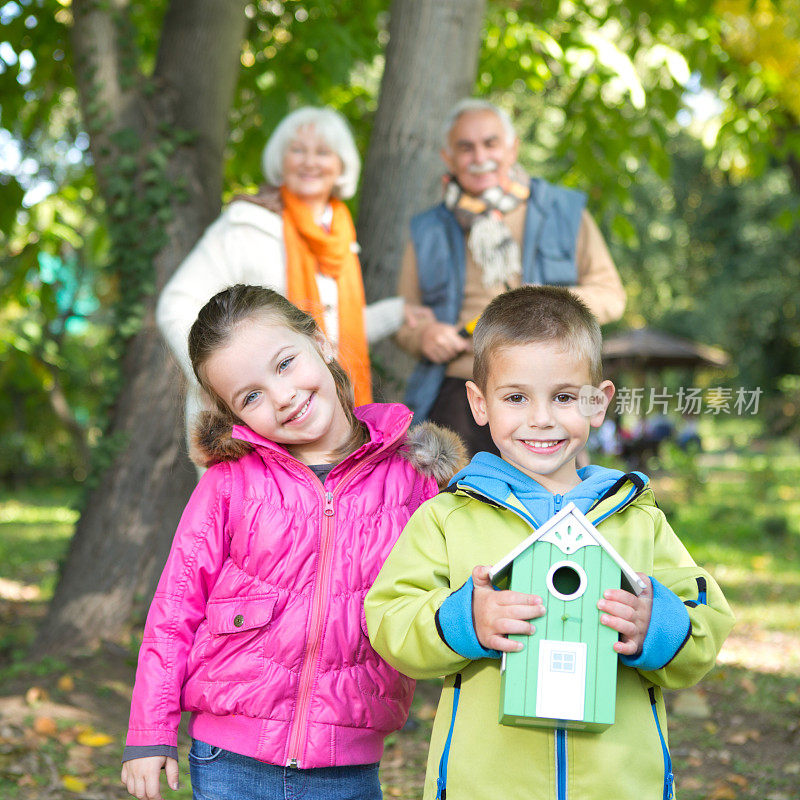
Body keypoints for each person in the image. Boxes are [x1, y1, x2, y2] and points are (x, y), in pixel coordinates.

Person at [365, 286, 734, 800]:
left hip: (619, 785)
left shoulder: (636, 519)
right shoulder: (449, 517)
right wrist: (463, 619)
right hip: (485, 786)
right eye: (516, 397)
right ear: (479, 403)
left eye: (563, 397)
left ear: (599, 403)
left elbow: (708, 615)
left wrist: (660, 625)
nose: (541, 418)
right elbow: (388, 617)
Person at [121, 285, 465, 800]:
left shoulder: (413, 480)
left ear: (320, 343)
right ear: (234, 413)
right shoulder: (230, 483)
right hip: (229, 760)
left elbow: (441, 599)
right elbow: (175, 609)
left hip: (346, 763)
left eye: (285, 364)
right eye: (251, 396)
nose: (282, 396)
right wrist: (149, 734)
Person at [157, 106, 431, 444]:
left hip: (315, 409)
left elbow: (328, 331)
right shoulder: (246, 223)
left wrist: (398, 313)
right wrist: (219, 384)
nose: (309, 161)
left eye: (322, 152)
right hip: (254, 417)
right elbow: (175, 304)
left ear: (341, 165)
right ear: (280, 161)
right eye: (297, 150)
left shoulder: (339, 241)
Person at [396, 98, 626, 455]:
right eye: (465, 147)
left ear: (513, 148)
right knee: (459, 505)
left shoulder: (563, 213)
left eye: (491, 143)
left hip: (547, 392)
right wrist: (423, 335)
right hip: (458, 392)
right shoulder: (427, 230)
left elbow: (612, 296)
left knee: (549, 503)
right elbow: (404, 318)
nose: (479, 156)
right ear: (448, 158)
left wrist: (549, 298)